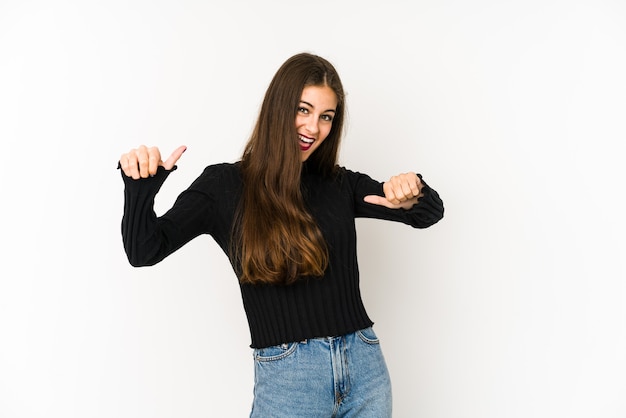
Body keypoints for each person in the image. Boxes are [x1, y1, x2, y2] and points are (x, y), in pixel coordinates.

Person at [118, 52, 444, 417]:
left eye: (326, 117)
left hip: (364, 366)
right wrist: (140, 189)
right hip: (290, 378)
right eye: (303, 110)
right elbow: (144, 250)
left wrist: (413, 190)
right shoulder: (223, 186)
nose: (313, 128)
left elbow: (426, 215)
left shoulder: (339, 184)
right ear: (278, 108)